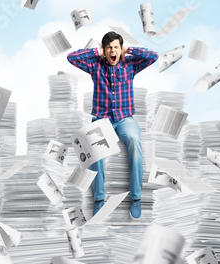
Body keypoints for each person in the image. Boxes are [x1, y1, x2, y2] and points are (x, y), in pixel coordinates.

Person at [66, 31, 158, 219]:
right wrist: (96, 51)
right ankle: (99, 199)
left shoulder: (129, 64)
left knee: (134, 140)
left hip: (125, 118)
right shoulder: (95, 65)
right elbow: (71, 57)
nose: (112, 51)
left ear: (121, 49)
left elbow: (154, 56)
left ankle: (136, 198)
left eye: (116, 47)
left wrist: (128, 49)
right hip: (102, 118)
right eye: (109, 48)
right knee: (95, 148)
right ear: (104, 50)